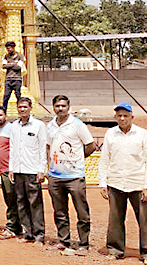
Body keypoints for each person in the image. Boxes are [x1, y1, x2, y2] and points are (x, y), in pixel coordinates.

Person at [99, 103, 147, 264]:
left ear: (132, 117)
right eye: (119, 116)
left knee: (144, 220)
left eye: (125, 115)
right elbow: (105, 159)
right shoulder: (110, 134)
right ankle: (115, 250)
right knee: (116, 219)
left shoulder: (144, 135)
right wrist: (103, 183)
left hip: (138, 183)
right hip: (116, 183)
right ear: (115, 117)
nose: (122, 118)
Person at [47, 94, 96, 256]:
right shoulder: (50, 126)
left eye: (63, 106)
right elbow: (48, 147)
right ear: (53, 107)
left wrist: (78, 159)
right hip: (55, 176)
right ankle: (63, 240)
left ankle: (83, 243)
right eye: (57, 106)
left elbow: (91, 145)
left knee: (81, 211)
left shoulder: (77, 124)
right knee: (59, 211)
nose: (60, 109)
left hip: (74, 176)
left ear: (68, 107)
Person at [9, 97, 47, 246]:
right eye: (20, 107)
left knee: (35, 203)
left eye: (25, 107)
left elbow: (42, 148)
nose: (22, 109)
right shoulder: (14, 126)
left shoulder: (38, 126)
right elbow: (12, 148)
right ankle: (28, 233)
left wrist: (41, 169)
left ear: (30, 108)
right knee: (21, 202)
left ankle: (39, 234)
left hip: (32, 170)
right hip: (18, 170)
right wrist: (11, 168)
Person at [0, 104, 22, 240]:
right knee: (9, 198)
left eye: (0, 115)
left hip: (11, 171)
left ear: (5, 115)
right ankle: (17, 225)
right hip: (2, 170)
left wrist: (12, 168)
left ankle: (12, 226)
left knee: (13, 199)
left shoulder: (11, 129)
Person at [0, 41, 25, 115]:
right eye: (7, 49)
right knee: (6, 96)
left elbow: (18, 67)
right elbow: (4, 66)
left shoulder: (20, 56)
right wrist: (14, 64)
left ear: (13, 48)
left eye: (10, 48)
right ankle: (4, 113)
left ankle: (21, 112)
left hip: (17, 79)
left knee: (18, 96)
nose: (8, 50)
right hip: (8, 79)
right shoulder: (6, 56)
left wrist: (9, 64)